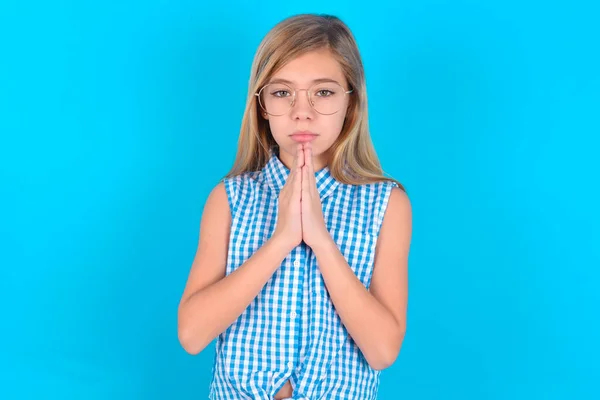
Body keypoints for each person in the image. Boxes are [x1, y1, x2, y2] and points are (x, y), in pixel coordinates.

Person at [177, 13, 412, 400]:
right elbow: (192, 334)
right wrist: (283, 239)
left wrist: (319, 239)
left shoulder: (387, 204)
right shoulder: (231, 198)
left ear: (351, 102)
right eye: (282, 92)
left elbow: (383, 349)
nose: (302, 111)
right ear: (262, 105)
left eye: (323, 92)